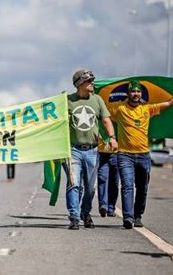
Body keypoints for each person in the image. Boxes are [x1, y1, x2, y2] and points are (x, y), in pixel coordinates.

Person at [109, 81, 173, 229]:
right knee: (127, 186)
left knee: (142, 188)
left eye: (138, 92)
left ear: (141, 94)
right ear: (128, 94)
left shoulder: (148, 109)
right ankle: (128, 218)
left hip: (143, 156)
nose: (136, 94)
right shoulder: (119, 109)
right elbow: (103, 115)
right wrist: (111, 137)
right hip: (124, 155)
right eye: (133, 92)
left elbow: (168, 104)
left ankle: (137, 215)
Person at [66, 69, 118, 230]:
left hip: (93, 150)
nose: (92, 83)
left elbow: (106, 121)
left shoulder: (97, 100)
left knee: (90, 187)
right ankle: (74, 216)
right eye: (89, 81)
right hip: (73, 150)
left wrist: (112, 138)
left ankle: (85, 213)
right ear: (79, 84)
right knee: (74, 184)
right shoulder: (67, 101)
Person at [97, 138, 119, 218]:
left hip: (116, 153)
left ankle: (111, 208)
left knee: (114, 182)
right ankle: (103, 206)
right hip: (102, 152)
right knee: (102, 179)